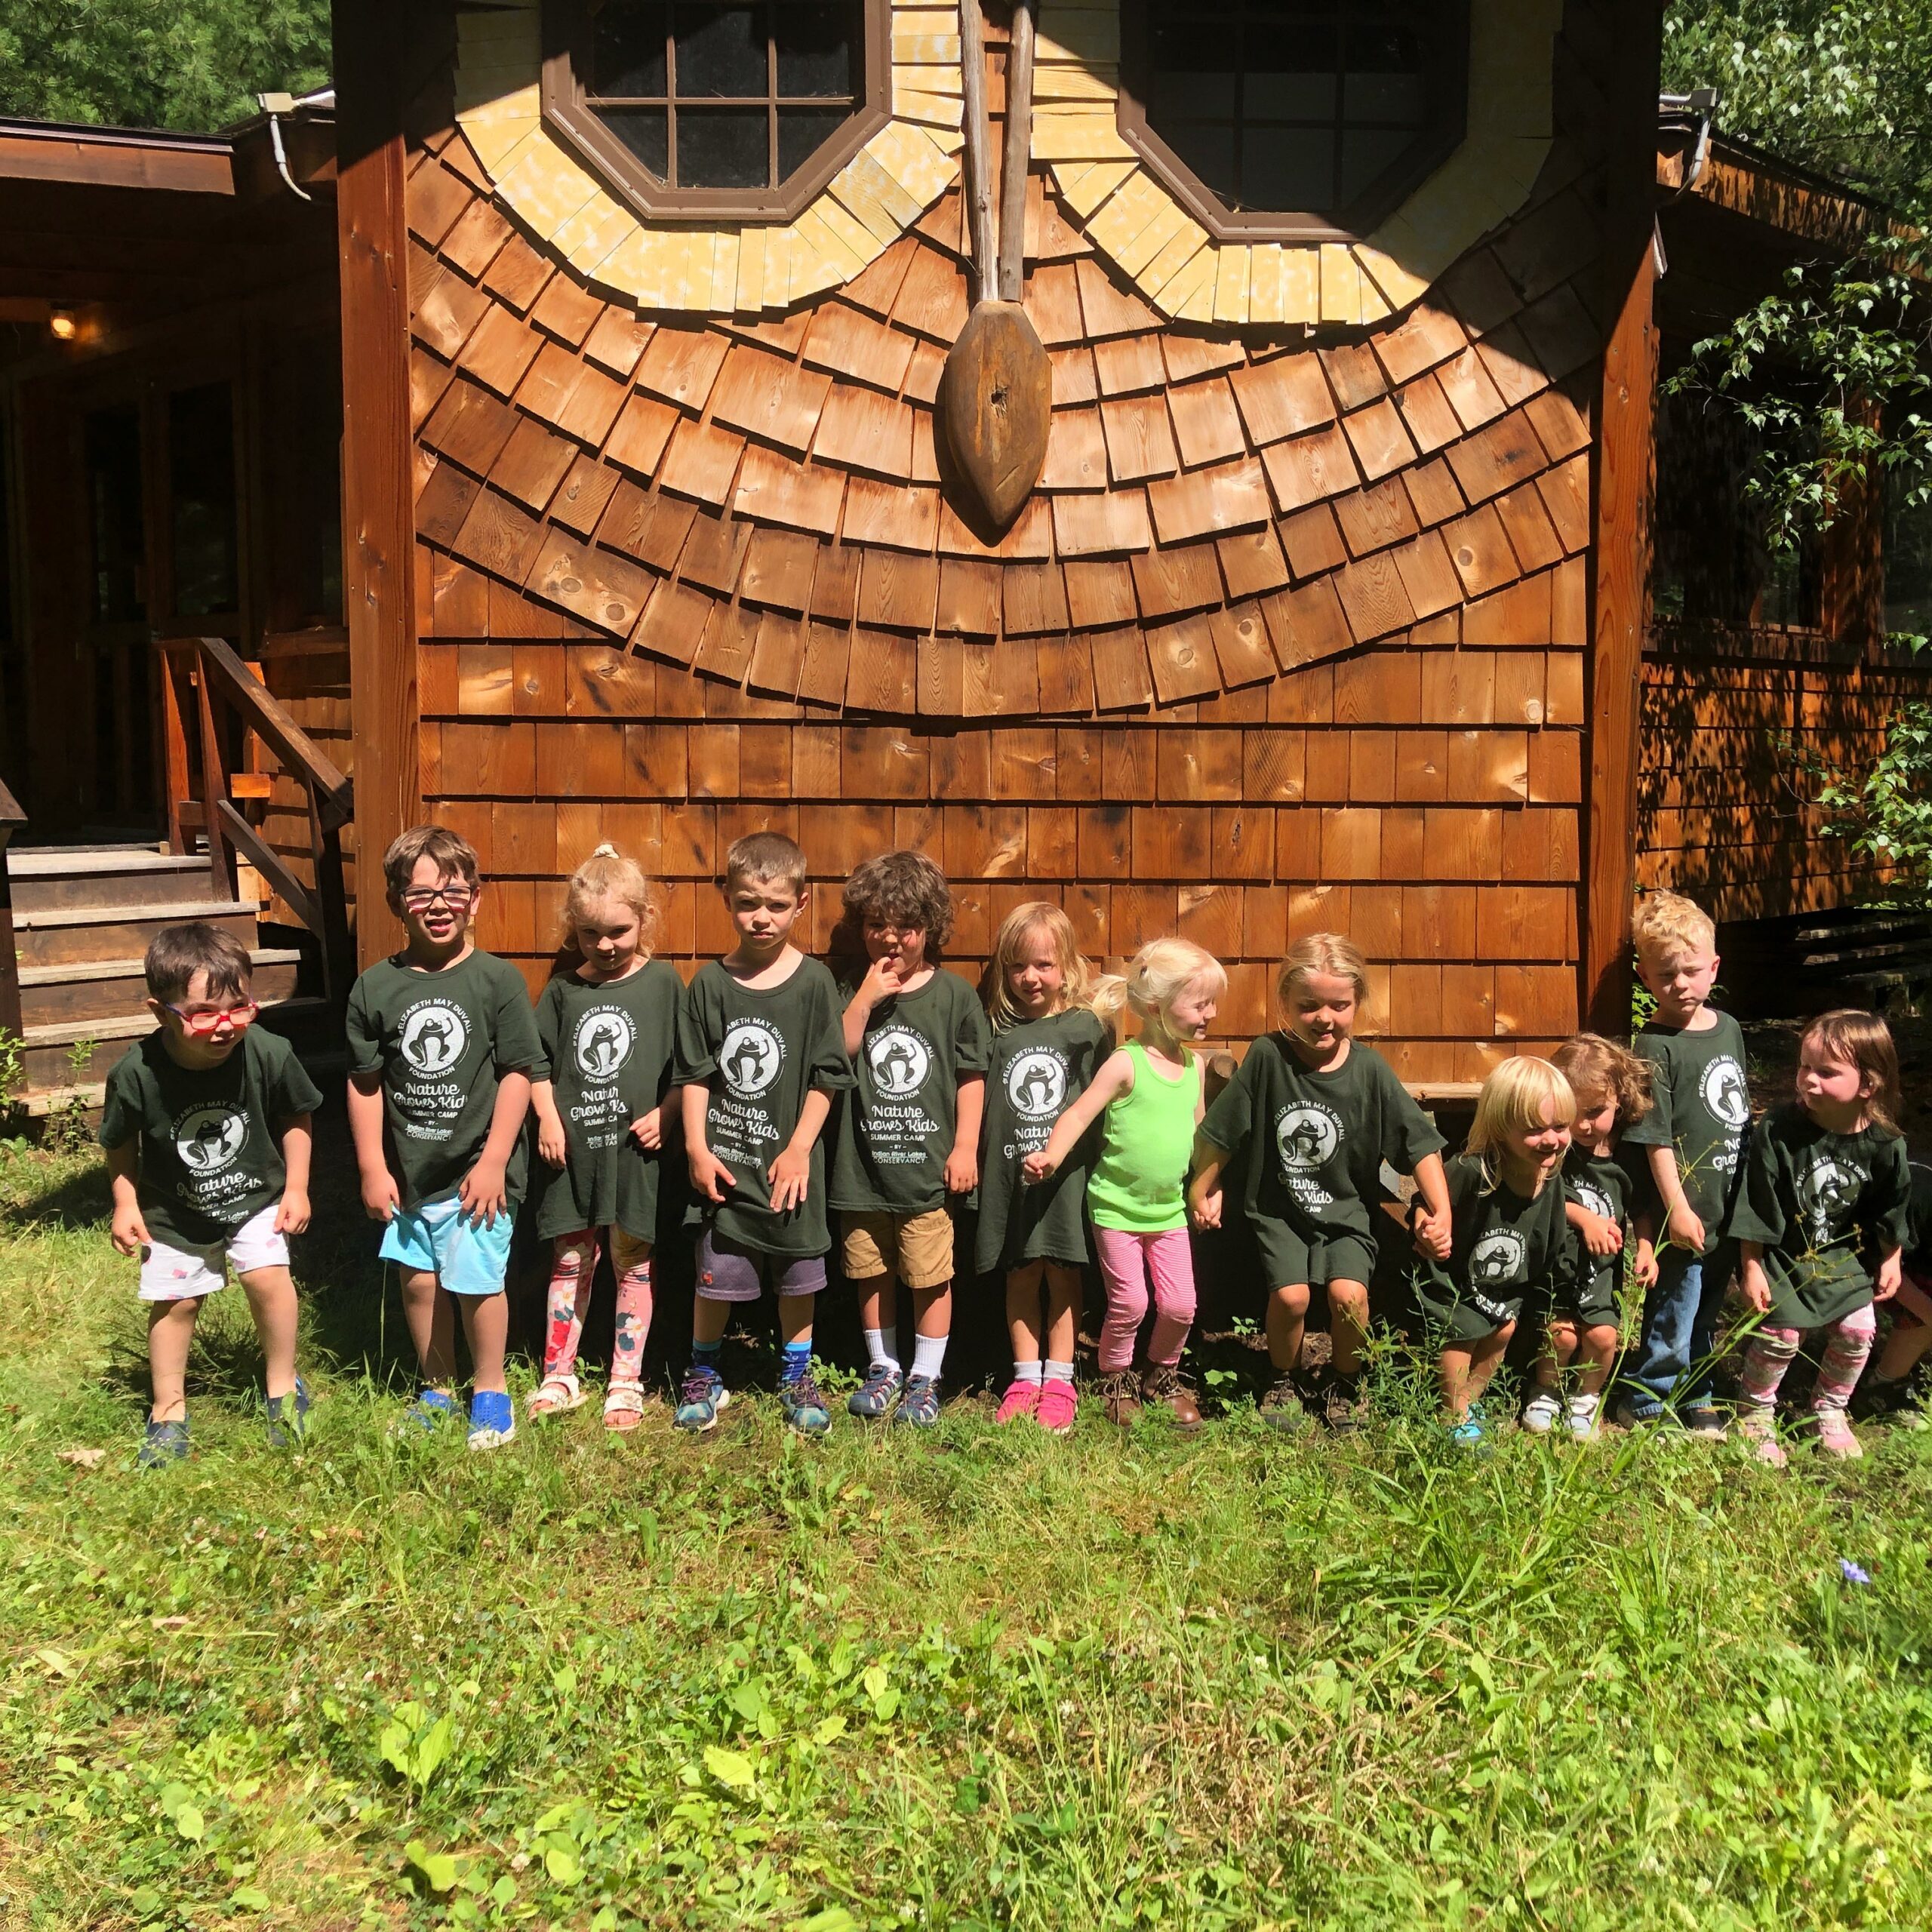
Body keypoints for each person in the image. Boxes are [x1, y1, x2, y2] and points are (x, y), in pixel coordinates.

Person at [1189, 933, 1451, 1432]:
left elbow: (1419, 1144)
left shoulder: (1369, 1071)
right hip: (1280, 1214)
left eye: (1339, 1005)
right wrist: (1200, 1188)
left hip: (1346, 1215)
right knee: (1292, 1299)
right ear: (1285, 1001)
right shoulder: (1268, 1057)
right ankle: (1281, 1378)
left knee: (1349, 1297)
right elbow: (1221, 1133)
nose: (1324, 1017)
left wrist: (1441, 1211)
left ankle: (1344, 1381)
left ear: (1357, 1004)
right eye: (1308, 1006)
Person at [345, 825, 543, 1450]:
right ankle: (436, 1386)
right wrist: (373, 1167)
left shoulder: (497, 982)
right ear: (396, 902)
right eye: (420, 892)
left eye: (453, 891)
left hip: (476, 1175)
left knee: (477, 1280)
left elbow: (518, 1073)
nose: (437, 905)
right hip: (410, 1172)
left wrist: (492, 1162)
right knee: (419, 1280)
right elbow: (365, 1081)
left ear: (475, 900)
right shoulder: (376, 987)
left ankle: (489, 1389)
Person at [100, 923, 323, 1467]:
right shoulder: (136, 1072)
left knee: (268, 1278)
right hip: (173, 1209)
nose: (226, 1026)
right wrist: (125, 1202)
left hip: (256, 1196)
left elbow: (297, 1113)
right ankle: (168, 1410)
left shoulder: (268, 1052)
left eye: (240, 1008)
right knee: (176, 1303)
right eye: (204, 1014)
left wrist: (296, 1186)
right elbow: (120, 1142)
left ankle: (281, 1389)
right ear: (162, 1012)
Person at [672, 831, 852, 1436]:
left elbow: (829, 1074)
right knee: (716, 1276)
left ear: (802, 905)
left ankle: (796, 1374)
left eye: (776, 905)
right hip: (726, 1166)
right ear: (727, 897)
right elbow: (695, 1073)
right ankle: (704, 1371)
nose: (762, 917)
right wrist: (697, 1147)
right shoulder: (709, 986)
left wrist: (800, 1148)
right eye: (749, 902)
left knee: (798, 1276)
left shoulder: (813, 985)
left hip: (790, 1170)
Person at [1024, 937, 1223, 1429]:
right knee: (1131, 1301)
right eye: (1201, 1003)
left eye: (1212, 1003)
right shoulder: (1125, 1063)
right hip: (1115, 1209)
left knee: (1181, 1305)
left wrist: (1206, 1191)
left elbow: (1199, 1140)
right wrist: (1051, 1155)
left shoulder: (1194, 1067)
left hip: (1169, 1212)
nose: (1211, 1013)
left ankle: (1161, 1374)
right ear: (1157, 1007)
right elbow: (1077, 1114)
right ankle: (1115, 1375)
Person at [525, 845, 682, 1432]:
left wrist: (667, 1113)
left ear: (644, 920)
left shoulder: (665, 984)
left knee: (631, 1261)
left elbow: (688, 1068)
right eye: (590, 933)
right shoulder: (565, 991)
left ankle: (625, 1379)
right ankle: (558, 1372)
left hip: (634, 1158)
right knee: (570, 1260)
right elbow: (534, 1062)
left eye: (618, 931)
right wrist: (545, 1116)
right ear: (574, 930)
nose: (606, 945)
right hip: (573, 1155)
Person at [831, 852, 989, 1426]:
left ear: (931, 928)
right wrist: (865, 1000)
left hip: (927, 1173)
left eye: (906, 927)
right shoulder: (848, 989)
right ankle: (884, 1367)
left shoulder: (953, 996)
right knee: (870, 1270)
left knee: (929, 1274)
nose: (889, 939)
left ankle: (925, 1376)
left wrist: (965, 1146)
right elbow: (835, 1053)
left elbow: (973, 1074)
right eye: (877, 925)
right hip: (861, 1170)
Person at [1727, 1009, 1909, 1465]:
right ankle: (1755, 1409)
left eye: (1827, 1072)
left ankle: (1828, 1409)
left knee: (1859, 1328)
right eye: (1804, 1066)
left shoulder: (1885, 1143)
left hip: (1839, 1254)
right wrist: (1750, 1266)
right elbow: (1757, 1203)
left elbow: (1891, 1208)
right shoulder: (1780, 1129)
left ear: (1867, 1084)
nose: (1808, 1080)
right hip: (1784, 1253)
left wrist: (1892, 1259)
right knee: (1782, 1331)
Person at [977, 902, 1115, 1435]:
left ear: (1067, 967)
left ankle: (1059, 1379)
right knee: (1020, 1272)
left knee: (1062, 1271)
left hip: (1067, 1179)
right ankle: (1024, 1377)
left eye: (1043, 965)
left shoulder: (1086, 1029)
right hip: (1010, 1178)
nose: (1030, 978)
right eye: (1017, 966)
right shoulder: (995, 1031)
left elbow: (1104, 1102)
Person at [1618, 891, 1750, 1436]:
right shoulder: (1654, 1043)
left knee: (1709, 1307)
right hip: (1684, 1207)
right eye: (1665, 974)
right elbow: (1655, 1139)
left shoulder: (1731, 1030)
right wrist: (1674, 1207)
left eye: (1692, 972)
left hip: (1727, 1200)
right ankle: (1646, 1397)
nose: (1680, 985)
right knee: (1676, 1306)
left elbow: (1739, 1115)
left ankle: (1700, 1391)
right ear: (1644, 977)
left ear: (1713, 967)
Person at [1411, 1056, 1574, 1447]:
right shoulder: (1474, 1170)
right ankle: (1453, 1416)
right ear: (1501, 1128)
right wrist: (1427, 1227)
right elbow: (1424, 1201)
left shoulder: (1549, 1177)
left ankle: (1466, 1402)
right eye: (1535, 1129)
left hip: (1502, 1287)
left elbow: (1553, 1235)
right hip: (1454, 1278)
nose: (1551, 1139)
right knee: (1463, 1333)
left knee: (1505, 1329)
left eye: (1560, 1126)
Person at [1524, 1034, 1659, 1440]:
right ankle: (1545, 1391)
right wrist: (1585, 1219)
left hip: (1601, 1273)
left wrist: (1647, 1249)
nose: (1583, 1125)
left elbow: (1641, 1210)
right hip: (1557, 1266)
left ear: (1619, 1097)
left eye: (1596, 1112)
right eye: (1574, 1113)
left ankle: (1587, 1398)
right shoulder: (1557, 1148)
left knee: (1604, 1336)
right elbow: (1537, 1193)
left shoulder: (1628, 1155)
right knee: (1561, 1335)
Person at [1851, 1157, 1932, 1425]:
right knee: (1924, 1308)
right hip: (1854, 1257)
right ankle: (1880, 1389)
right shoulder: (1916, 1197)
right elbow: (1880, 1268)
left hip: (1905, 1259)